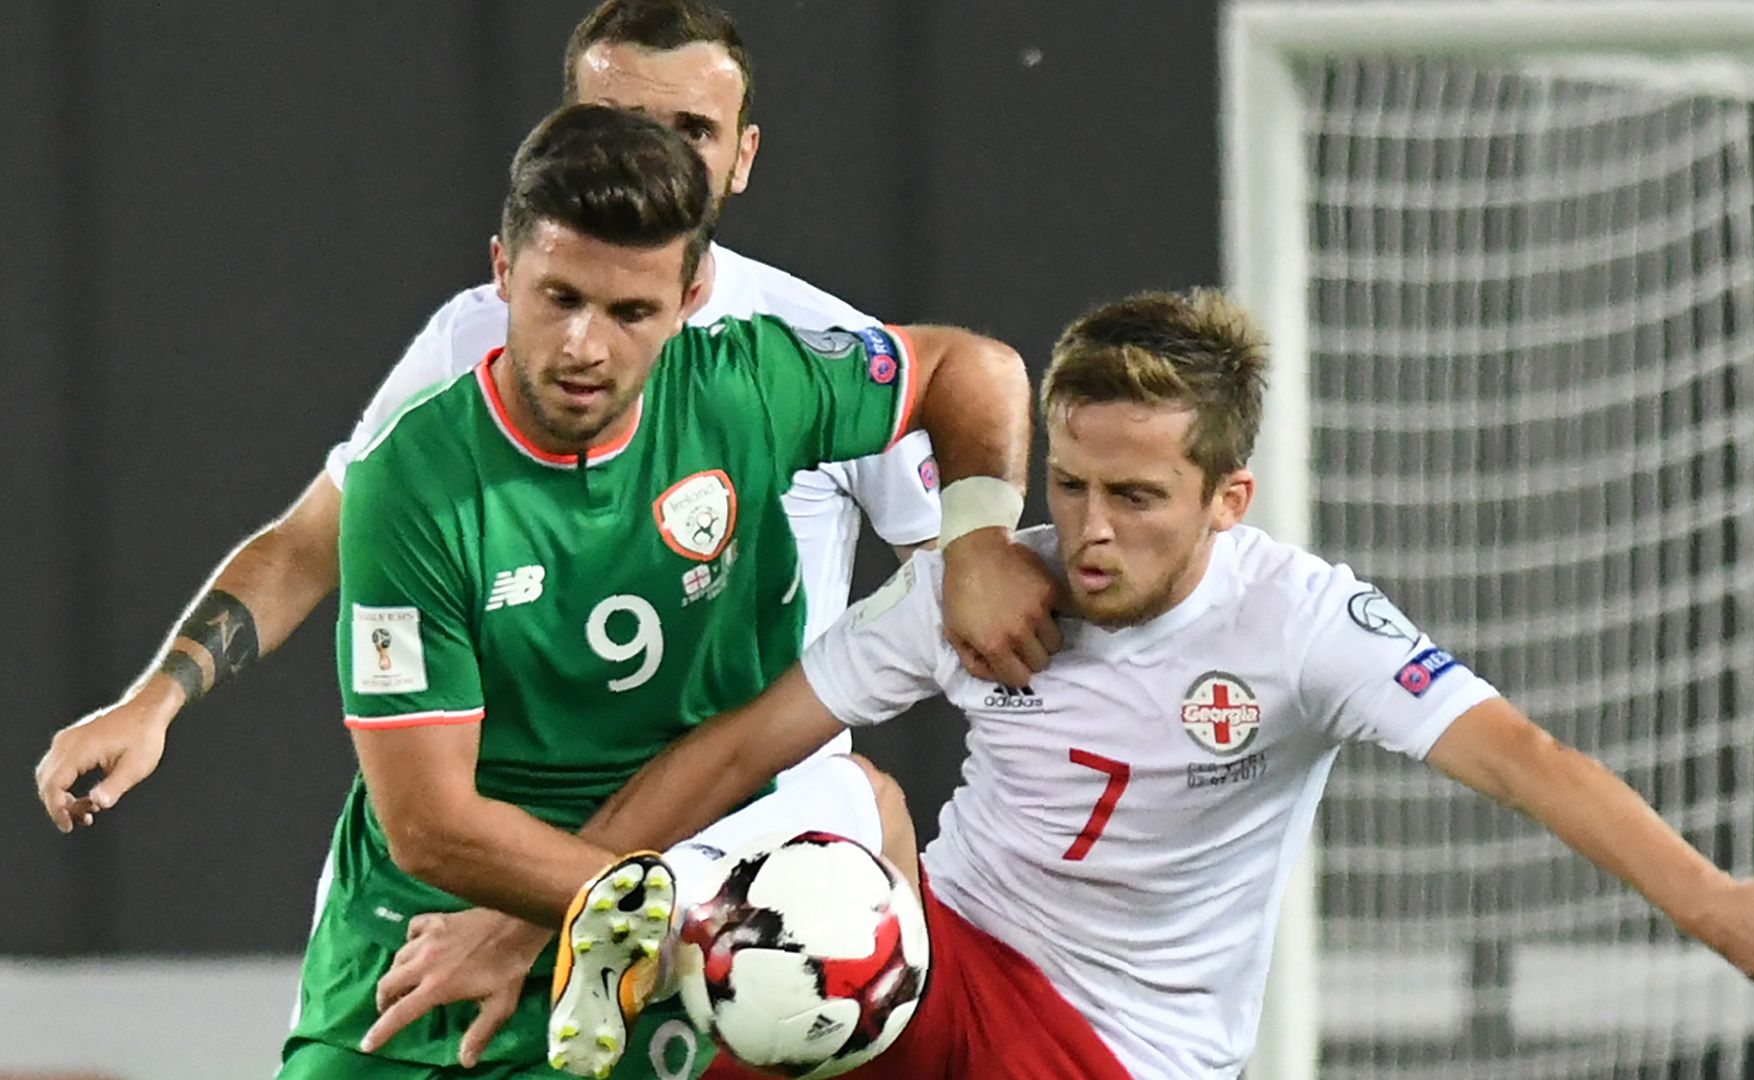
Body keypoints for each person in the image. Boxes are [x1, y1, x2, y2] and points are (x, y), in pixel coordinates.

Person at [519, 289, 1754, 1079]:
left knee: (799, 899)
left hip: (1119, 1045)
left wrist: (1709, 901)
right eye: (1071, 483)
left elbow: (1528, 756)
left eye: (1138, 496)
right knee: (822, 826)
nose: (1094, 529)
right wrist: (545, 897)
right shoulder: (989, 583)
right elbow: (747, 739)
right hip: (950, 964)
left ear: (1228, 497)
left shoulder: (1304, 626)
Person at [33, 0, 1055, 836]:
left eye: (691, 132)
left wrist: (975, 549)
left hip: (750, 831)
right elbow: (313, 542)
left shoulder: (802, 347)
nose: (656, 159)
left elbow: (961, 577)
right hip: (529, 830)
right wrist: (157, 699)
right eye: (622, 125)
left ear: (742, 156)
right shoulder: (475, 337)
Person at [286, 101, 1040, 1080]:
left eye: (630, 311)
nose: (584, 347)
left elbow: (970, 369)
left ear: (688, 301)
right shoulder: (412, 482)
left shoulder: (745, 387)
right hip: (447, 937)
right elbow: (431, 826)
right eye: (559, 297)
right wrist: (685, 917)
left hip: (677, 890)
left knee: (858, 818)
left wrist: (977, 537)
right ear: (503, 271)